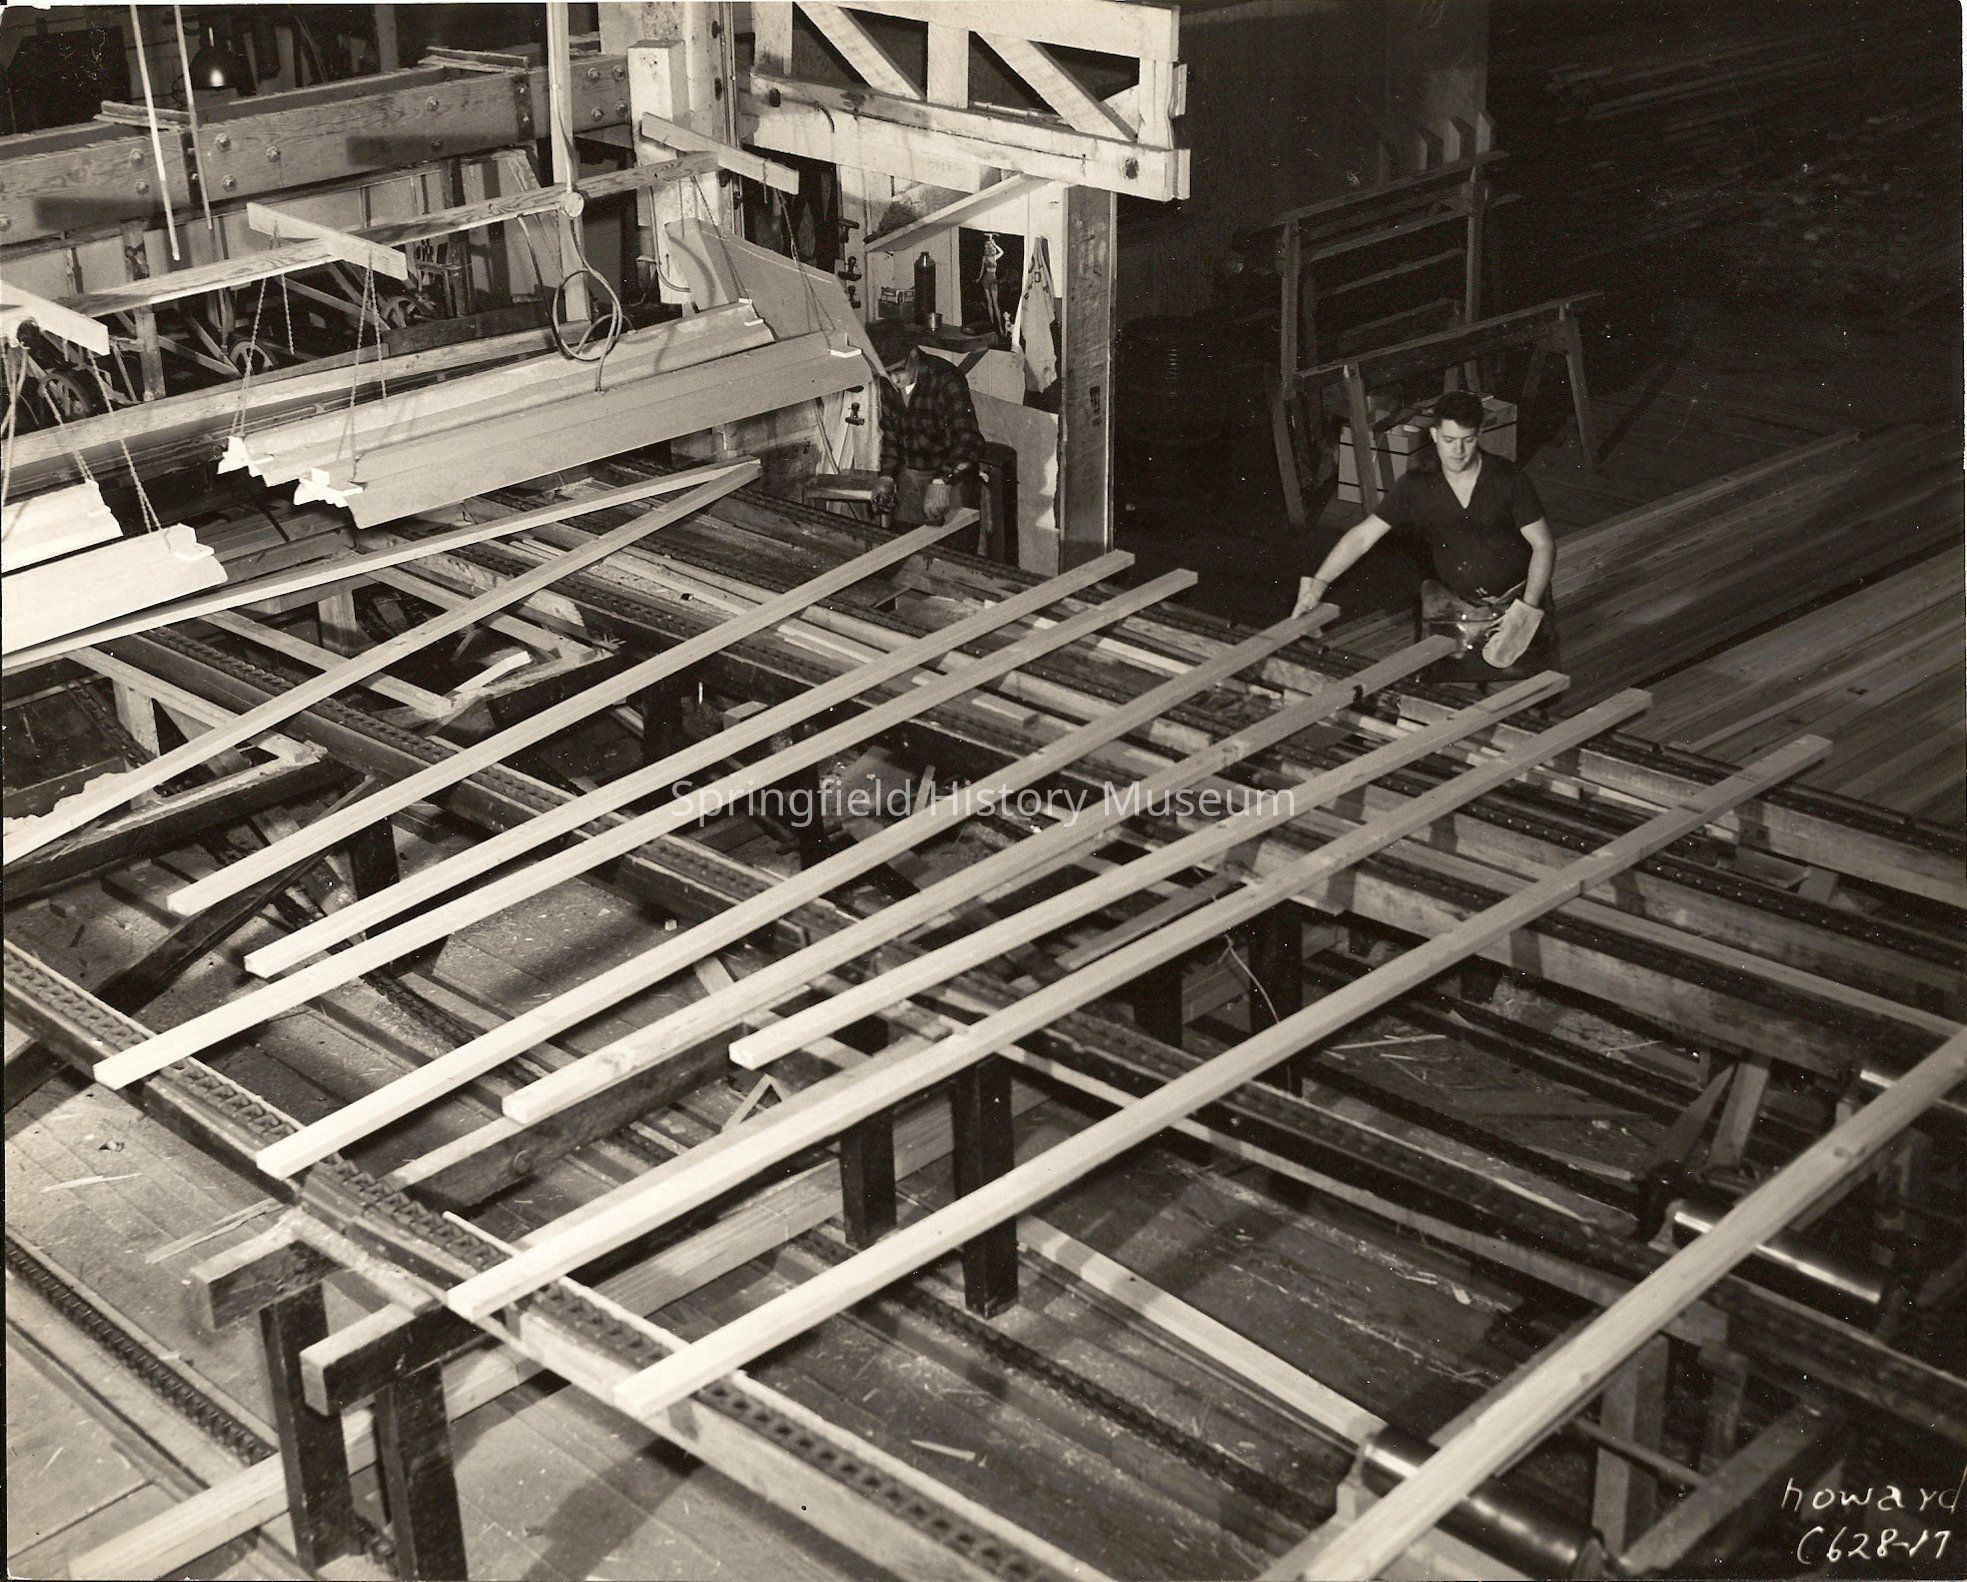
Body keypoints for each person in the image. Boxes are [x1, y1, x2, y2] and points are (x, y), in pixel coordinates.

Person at [1294, 390, 1557, 679]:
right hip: (1456, 605)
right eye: (1449, 440)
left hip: (1517, 601)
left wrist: (1526, 609)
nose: (1458, 451)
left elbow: (1543, 545)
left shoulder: (1507, 479)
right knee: (1443, 682)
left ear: (1479, 434)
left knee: (1528, 683)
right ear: (1434, 435)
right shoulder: (1416, 485)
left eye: (1467, 440)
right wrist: (1318, 584)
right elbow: (1362, 537)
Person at [868, 319, 983, 549]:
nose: (894, 380)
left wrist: (943, 480)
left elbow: (969, 441)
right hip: (913, 475)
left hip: (952, 477)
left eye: (898, 370)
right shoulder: (889, 384)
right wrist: (887, 477)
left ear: (913, 355)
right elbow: (892, 437)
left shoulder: (946, 379)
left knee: (952, 556)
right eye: (887, 374)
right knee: (904, 551)